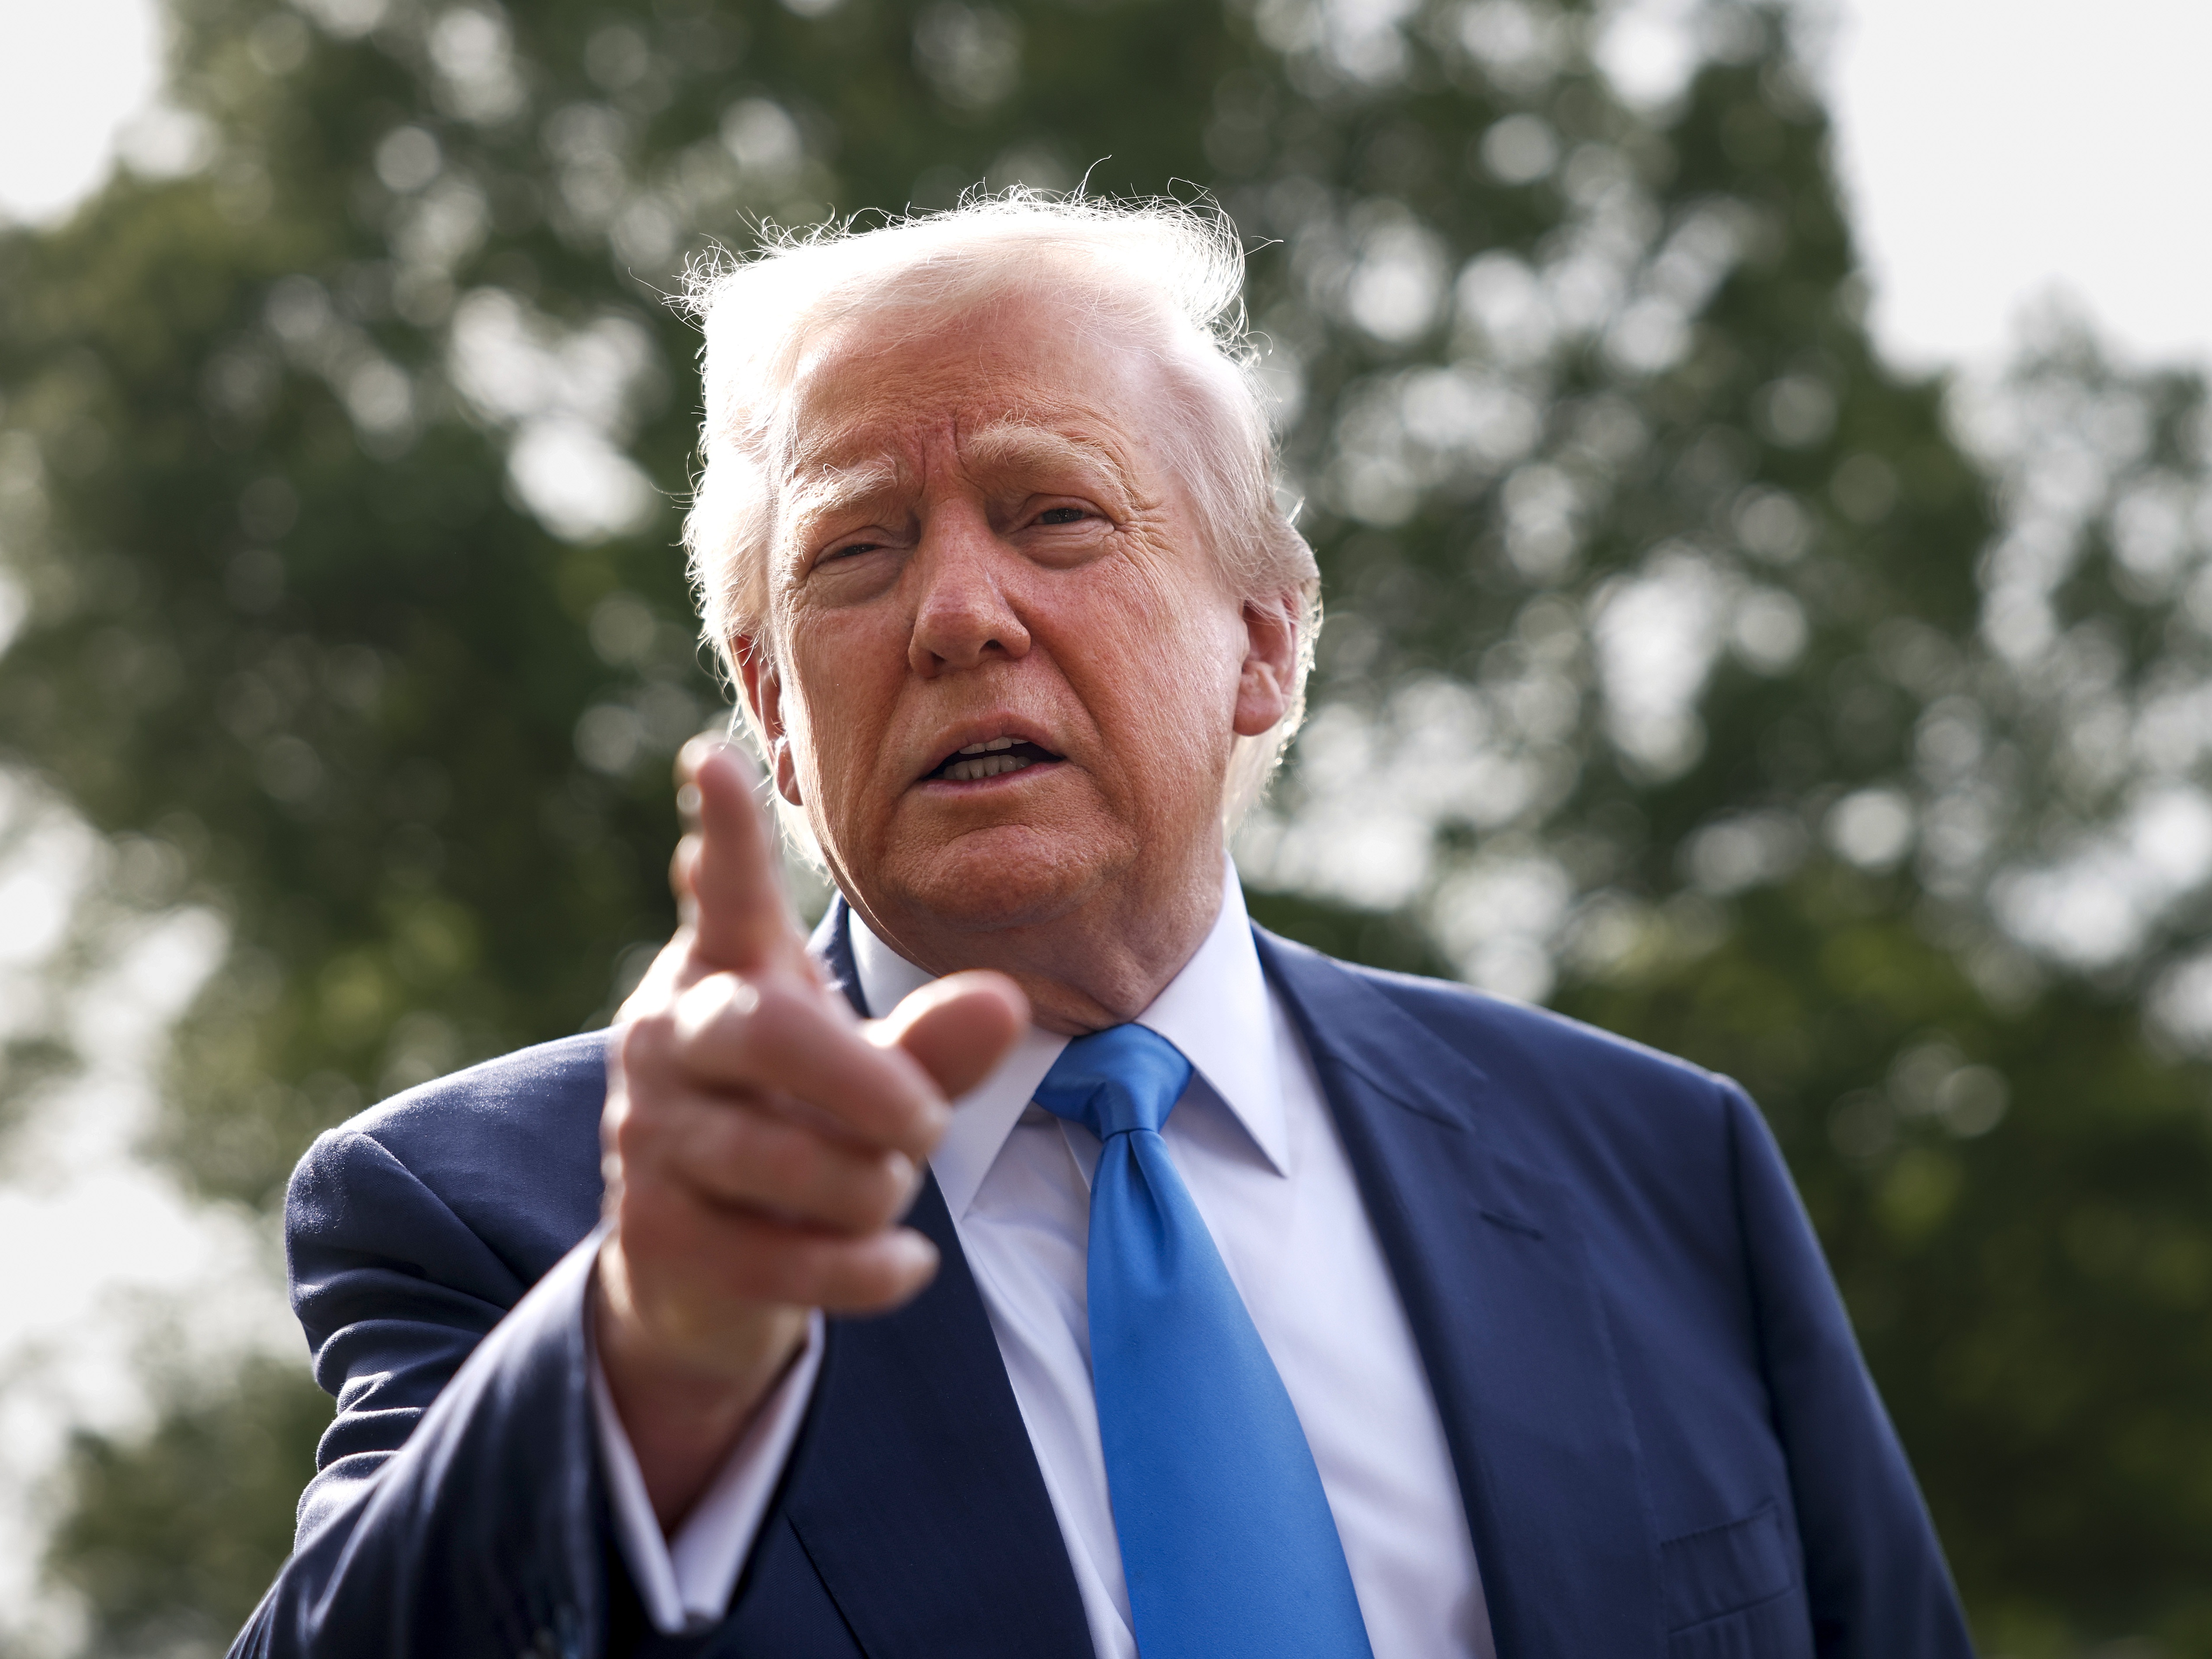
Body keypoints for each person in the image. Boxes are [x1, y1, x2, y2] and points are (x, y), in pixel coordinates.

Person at [232, 194, 1974, 1659]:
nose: (958, 614)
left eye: (1054, 512)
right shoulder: (504, 1220)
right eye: (858, 552)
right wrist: (652, 1355)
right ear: (769, 702)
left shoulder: (1661, 1168)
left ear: (1265, 641)